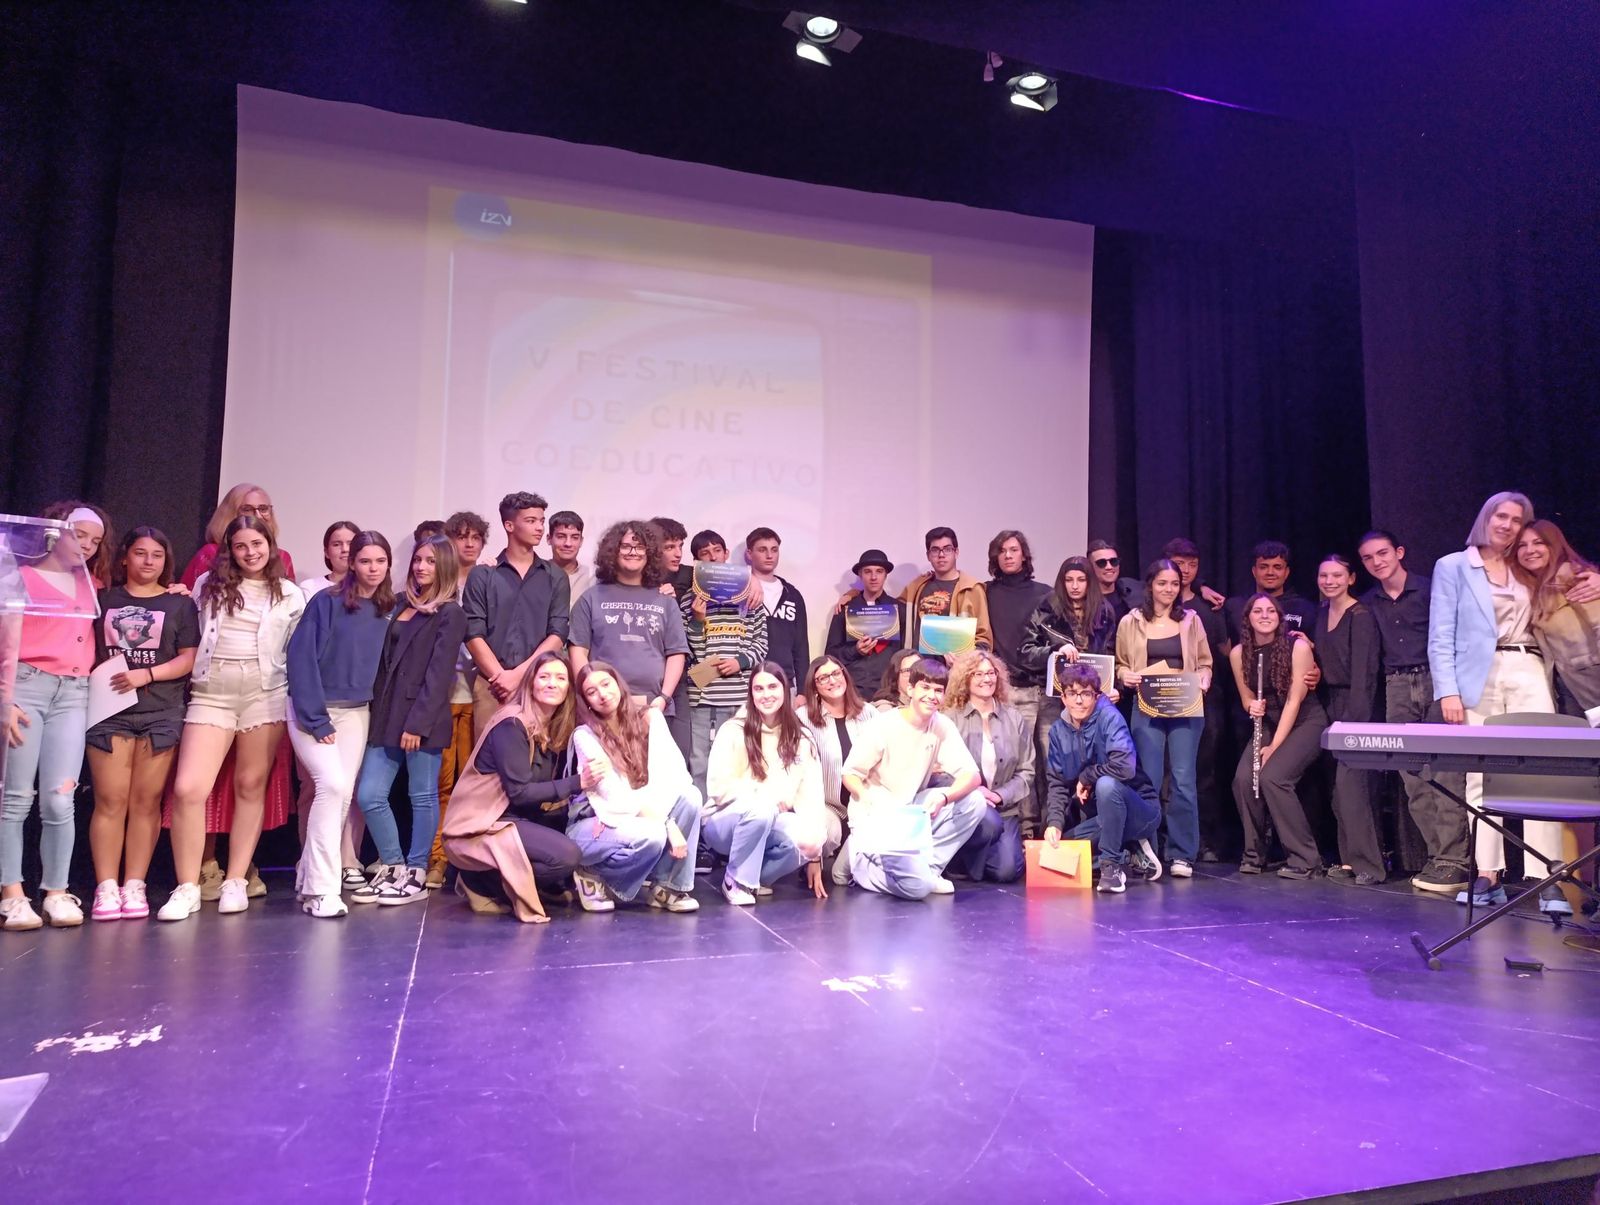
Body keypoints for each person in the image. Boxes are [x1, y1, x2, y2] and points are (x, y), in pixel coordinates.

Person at [160, 515, 307, 921]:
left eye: (257, 545)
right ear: (230, 549)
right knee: (189, 788)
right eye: (241, 546)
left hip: (265, 693)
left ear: (270, 545)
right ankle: (187, 885)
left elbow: (299, 652)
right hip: (212, 691)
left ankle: (236, 879)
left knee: (249, 784)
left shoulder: (291, 594)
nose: (250, 553)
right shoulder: (208, 584)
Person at [1429, 491, 1568, 913]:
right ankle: (1488, 874)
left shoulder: (1525, 563)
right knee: (1480, 775)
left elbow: (1574, 579)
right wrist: (1447, 690)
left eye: (1517, 518)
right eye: (1501, 516)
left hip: (1528, 667)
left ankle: (1547, 877)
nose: (1507, 525)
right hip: (1479, 676)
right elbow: (1441, 635)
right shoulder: (1454, 565)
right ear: (1486, 517)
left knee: (1542, 772)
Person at [1, 502, 108, 931]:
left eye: (95, 540)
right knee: (15, 798)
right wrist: (4, 699)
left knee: (60, 797)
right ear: (54, 532)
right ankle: (12, 894)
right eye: (79, 535)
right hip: (27, 687)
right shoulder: (18, 578)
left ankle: (57, 891)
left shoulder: (91, 584)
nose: (86, 545)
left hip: (73, 692)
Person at [86, 527, 199, 922]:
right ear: (124, 558)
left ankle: (135, 884)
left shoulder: (180, 604)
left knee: (146, 802)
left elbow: (188, 658)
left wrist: (146, 674)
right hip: (108, 711)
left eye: (156, 555)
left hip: (160, 711)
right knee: (111, 800)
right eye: (139, 553)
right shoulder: (103, 599)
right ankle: (106, 887)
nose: (148, 561)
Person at [351, 535, 469, 909]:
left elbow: (439, 675)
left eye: (431, 562)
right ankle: (393, 864)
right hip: (386, 713)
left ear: (445, 567)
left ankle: (416, 871)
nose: (421, 567)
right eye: (418, 560)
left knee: (422, 795)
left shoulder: (451, 613)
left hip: (423, 717)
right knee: (369, 794)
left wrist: (417, 724)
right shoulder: (400, 603)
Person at [286, 531, 395, 917]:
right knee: (330, 788)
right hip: (314, 711)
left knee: (342, 795)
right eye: (365, 561)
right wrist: (314, 718)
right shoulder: (326, 602)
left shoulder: (387, 608)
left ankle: (308, 881)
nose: (373, 569)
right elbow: (301, 660)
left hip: (356, 712)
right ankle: (320, 889)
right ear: (351, 563)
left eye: (380, 562)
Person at [1357, 530, 1468, 894]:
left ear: (1399, 552)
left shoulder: (1430, 589)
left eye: (1383, 553)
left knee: (1447, 775)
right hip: (1398, 686)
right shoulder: (1369, 602)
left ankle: (1457, 861)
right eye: (1368, 558)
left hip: (1437, 682)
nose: (1377, 562)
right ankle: (1439, 857)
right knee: (1414, 779)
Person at [441, 651, 588, 921]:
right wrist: (578, 782)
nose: (552, 683)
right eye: (544, 677)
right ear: (531, 682)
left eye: (560, 677)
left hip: (514, 815)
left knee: (568, 825)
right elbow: (520, 793)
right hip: (483, 824)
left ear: (569, 687)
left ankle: (539, 885)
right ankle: (478, 882)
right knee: (566, 857)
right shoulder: (512, 723)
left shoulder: (550, 725)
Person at [840, 656, 987, 899]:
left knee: (975, 802)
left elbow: (972, 777)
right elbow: (850, 774)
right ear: (910, 688)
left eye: (938, 690)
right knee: (917, 889)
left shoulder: (942, 725)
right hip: (877, 813)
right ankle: (861, 866)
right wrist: (869, 800)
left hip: (909, 812)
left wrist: (944, 795)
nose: (932, 696)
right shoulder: (883, 725)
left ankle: (929, 870)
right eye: (925, 688)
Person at [569, 661, 703, 912]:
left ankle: (667, 887)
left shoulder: (650, 717)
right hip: (597, 824)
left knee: (691, 796)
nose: (602, 694)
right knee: (653, 835)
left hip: (642, 814)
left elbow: (674, 774)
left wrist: (663, 818)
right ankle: (593, 874)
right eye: (591, 691)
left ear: (618, 684)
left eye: (606, 684)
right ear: (586, 701)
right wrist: (667, 822)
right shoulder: (585, 736)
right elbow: (614, 798)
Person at [1115, 558, 1213, 877]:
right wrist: (1125, 675)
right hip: (1147, 706)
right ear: (1150, 585)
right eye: (1162, 583)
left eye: (1174, 583)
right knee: (1149, 780)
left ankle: (1183, 853)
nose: (1169, 589)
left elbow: (1204, 663)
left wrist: (1205, 677)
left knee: (1183, 779)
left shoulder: (1192, 620)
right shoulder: (1131, 621)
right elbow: (1119, 664)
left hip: (1185, 706)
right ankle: (1148, 850)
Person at [704, 664, 827, 903]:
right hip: (725, 820)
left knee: (813, 839)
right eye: (758, 688)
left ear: (785, 690)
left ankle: (753, 878)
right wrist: (764, 794)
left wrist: (814, 858)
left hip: (773, 820)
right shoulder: (733, 730)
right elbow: (717, 788)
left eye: (772, 686)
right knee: (761, 808)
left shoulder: (802, 737)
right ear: (751, 694)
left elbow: (811, 797)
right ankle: (737, 881)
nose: (766, 694)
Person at [1017, 555, 1118, 838]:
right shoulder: (1047, 607)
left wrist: (1110, 684)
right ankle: (1052, 829)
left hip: (1095, 699)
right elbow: (1024, 652)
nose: (1075, 586)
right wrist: (1053, 654)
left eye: (1081, 580)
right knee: (1056, 764)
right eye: (1069, 580)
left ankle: (1089, 830)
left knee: (1094, 761)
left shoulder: (1105, 611)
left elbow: (1109, 656)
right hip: (1057, 698)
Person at [1042, 663, 1164, 894]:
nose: (1079, 701)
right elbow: (1056, 782)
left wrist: (1088, 775)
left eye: (1086, 694)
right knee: (1063, 851)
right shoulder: (1058, 731)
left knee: (1106, 784)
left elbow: (1125, 768)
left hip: (1140, 811)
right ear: (1064, 697)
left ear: (1096, 696)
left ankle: (1112, 867)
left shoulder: (1110, 718)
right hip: (1104, 817)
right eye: (1072, 694)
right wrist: (1054, 824)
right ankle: (1129, 850)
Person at [1231, 593, 1326, 879]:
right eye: (1257, 610)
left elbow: (1294, 702)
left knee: (1273, 778)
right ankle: (1254, 855)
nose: (1264, 615)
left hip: (1305, 721)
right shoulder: (1239, 653)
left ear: (1279, 616)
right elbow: (1246, 697)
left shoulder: (1297, 647)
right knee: (1244, 779)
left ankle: (1306, 859)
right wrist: (1251, 705)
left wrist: (1274, 747)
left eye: (1270, 610)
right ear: (1247, 618)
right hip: (1270, 721)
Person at [463, 491, 571, 735]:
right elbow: (472, 633)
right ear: (509, 525)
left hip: (539, 684)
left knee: (537, 762)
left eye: (542, 521)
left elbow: (557, 634)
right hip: (492, 685)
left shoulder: (555, 577)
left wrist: (519, 677)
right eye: (531, 521)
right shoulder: (484, 575)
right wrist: (500, 678)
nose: (540, 528)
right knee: (489, 764)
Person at [1312, 555, 1386, 883]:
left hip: (1356, 707)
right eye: (1324, 575)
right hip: (1328, 704)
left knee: (1353, 786)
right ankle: (1347, 861)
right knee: (1337, 790)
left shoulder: (1361, 615)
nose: (1329, 581)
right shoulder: (1322, 613)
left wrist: (1356, 720)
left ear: (1351, 578)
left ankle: (1370, 864)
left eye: (1337, 575)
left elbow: (1364, 674)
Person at [1162, 537, 1234, 862]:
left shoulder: (1209, 607)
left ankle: (1205, 840)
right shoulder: (1154, 605)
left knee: (1203, 773)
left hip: (1207, 701)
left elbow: (1223, 653)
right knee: (1168, 774)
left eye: (1192, 564)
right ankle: (1166, 839)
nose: (1187, 570)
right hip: (1164, 700)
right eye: (1179, 564)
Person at [429, 509, 491, 887]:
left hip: (480, 693)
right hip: (443, 697)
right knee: (441, 785)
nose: (468, 544)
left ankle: (469, 861)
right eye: (461, 536)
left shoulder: (489, 581)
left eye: (476, 537)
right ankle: (437, 857)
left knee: (474, 784)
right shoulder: (436, 581)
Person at [568, 520, 688, 714]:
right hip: (603, 706)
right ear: (613, 551)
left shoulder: (665, 601)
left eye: (640, 547)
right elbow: (578, 651)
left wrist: (664, 698)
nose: (633, 552)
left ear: (650, 553)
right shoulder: (591, 598)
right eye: (625, 546)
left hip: (653, 706)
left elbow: (676, 653)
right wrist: (589, 693)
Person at [680, 537, 768, 793]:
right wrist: (698, 620)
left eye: (717, 550)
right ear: (697, 562)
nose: (713, 557)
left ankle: (734, 817)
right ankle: (702, 823)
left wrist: (739, 662)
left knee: (741, 759)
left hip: (740, 695)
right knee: (700, 762)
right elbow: (690, 651)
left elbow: (761, 645)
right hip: (702, 697)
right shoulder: (689, 601)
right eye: (705, 553)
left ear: (726, 554)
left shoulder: (751, 598)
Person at [944, 650, 1032, 883]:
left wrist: (998, 796)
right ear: (965, 679)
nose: (987, 679)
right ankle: (962, 852)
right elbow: (942, 768)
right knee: (988, 825)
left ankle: (962, 859)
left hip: (1004, 808)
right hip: (965, 805)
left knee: (1007, 871)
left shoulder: (1014, 718)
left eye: (991, 673)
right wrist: (973, 791)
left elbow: (1027, 770)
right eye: (978, 674)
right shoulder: (951, 718)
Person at [797, 655, 877, 886]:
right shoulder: (803, 718)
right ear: (815, 687)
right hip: (828, 804)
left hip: (864, 801)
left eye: (836, 674)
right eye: (823, 678)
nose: (832, 681)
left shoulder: (869, 713)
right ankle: (813, 861)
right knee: (824, 830)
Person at [1516, 521, 1600, 723]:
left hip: (1592, 682)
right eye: (1522, 545)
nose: (1530, 550)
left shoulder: (1574, 576)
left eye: (1538, 543)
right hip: (1567, 689)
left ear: (1554, 545)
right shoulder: (1535, 588)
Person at [895, 527, 993, 651]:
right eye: (935, 550)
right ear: (928, 555)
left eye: (947, 549)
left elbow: (983, 638)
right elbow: (892, 616)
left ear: (956, 552)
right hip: (917, 666)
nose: (941, 555)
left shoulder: (972, 589)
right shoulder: (916, 587)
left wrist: (965, 661)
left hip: (954, 666)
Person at [824, 548, 905, 698]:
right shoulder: (845, 609)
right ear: (860, 575)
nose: (873, 577)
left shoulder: (900, 610)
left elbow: (906, 653)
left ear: (886, 575)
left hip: (888, 692)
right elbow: (830, 654)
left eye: (879, 571)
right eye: (867, 571)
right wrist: (855, 650)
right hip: (853, 691)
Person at [649, 516, 695, 760]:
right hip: (646, 678)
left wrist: (753, 581)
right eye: (669, 547)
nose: (678, 553)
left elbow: (729, 575)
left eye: (680, 546)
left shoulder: (691, 575)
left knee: (681, 754)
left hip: (680, 679)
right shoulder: (637, 581)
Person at [745, 527, 810, 689]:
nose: (769, 555)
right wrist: (747, 576)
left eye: (774, 550)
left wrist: (802, 690)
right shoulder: (739, 590)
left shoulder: (792, 594)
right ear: (749, 553)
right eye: (762, 550)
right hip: (747, 681)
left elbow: (801, 647)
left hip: (785, 682)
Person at [1224, 540, 1316, 643]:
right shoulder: (1235, 606)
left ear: (1286, 572)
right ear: (1254, 571)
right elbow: (1223, 649)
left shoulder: (1304, 608)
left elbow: (1316, 650)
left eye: (1277, 567)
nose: (1270, 572)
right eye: (1263, 567)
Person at [298, 520, 359, 598]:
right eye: (337, 544)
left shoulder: (371, 587)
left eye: (350, 544)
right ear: (327, 552)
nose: (345, 549)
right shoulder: (310, 587)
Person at [1086, 539, 1142, 620]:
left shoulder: (1132, 598)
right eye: (1101, 563)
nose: (1109, 567)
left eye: (1114, 561)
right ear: (1090, 567)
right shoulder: (1083, 601)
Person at [548, 509, 592, 603]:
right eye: (561, 536)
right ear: (549, 539)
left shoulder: (592, 577)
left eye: (575, 538)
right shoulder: (538, 574)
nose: (568, 543)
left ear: (581, 541)